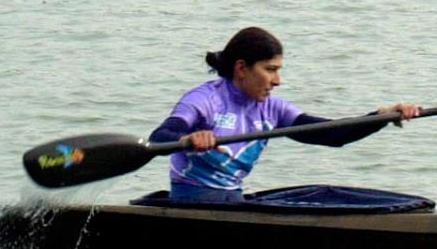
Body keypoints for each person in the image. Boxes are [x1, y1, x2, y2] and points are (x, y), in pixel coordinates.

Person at [149, 27, 421, 204]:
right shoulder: (204, 100)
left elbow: (332, 135)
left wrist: (381, 117)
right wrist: (189, 137)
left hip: (233, 202)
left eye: (278, 70)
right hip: (189, 203)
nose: (277, 80)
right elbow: (160, 137)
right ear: (241, 68)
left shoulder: (273, 108)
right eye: (270, 69)